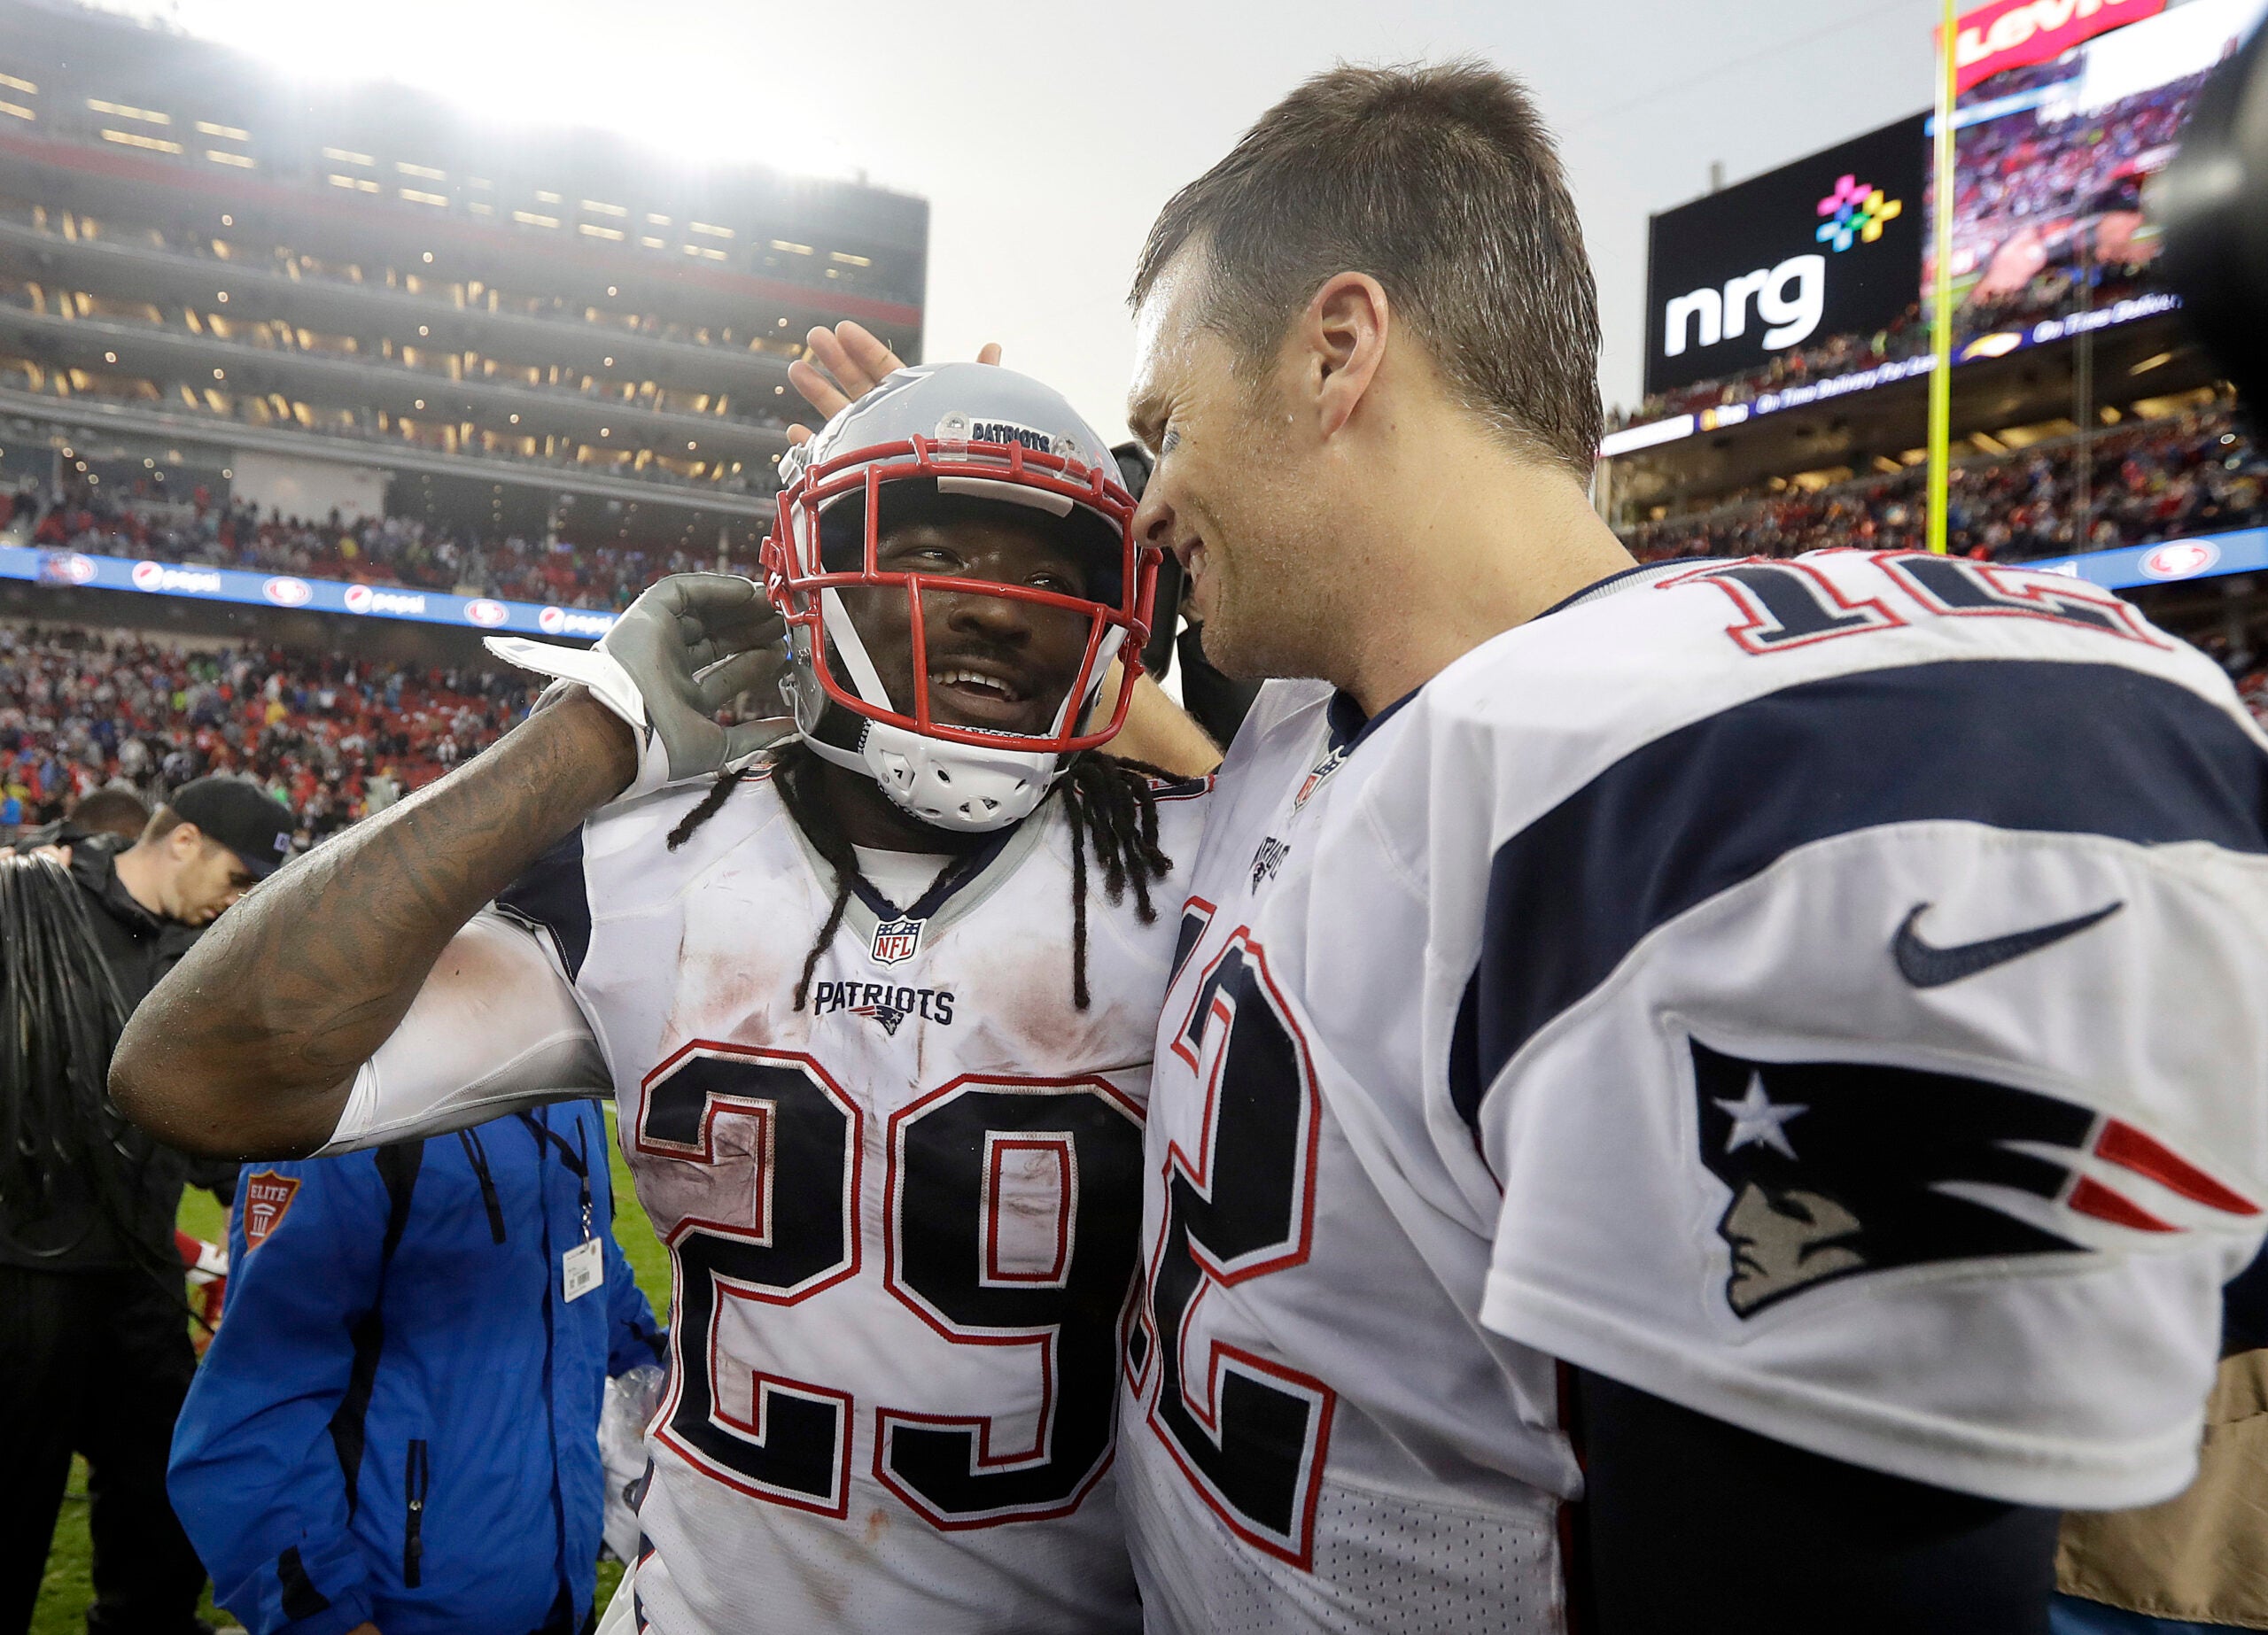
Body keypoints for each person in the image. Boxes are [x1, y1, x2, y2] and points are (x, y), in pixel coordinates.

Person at [1108, 62, 2268, 1632]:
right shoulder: (1310, 721)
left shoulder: (1716, 768)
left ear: (1337, 351)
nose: (1156, 485)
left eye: (1168, 422)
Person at [112, 363, 1218, 1634]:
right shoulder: (642, 865)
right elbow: (191, 1076)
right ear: (816, 575)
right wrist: (585, 736)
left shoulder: (1202, 865)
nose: (997, 609)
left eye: (1041, 573)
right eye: (932, 548)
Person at [167, 1102, 664, 1635]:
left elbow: (585, 1250)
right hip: (400, 1606)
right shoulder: (353, 1112)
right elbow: (252, 1417)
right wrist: (327, 1618)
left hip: (561, 1583)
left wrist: (654, 1363)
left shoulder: (565, 1083)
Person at [2, 776, 294, 1635]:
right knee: (15, 1489)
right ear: (183, 841)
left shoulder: (200, 957)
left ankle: (144, 1625)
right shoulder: (32, 898)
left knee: (157, 1480)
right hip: (26, 1275)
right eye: (235, 879)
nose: (235, 902)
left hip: (137, 1273)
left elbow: (204, 1128)